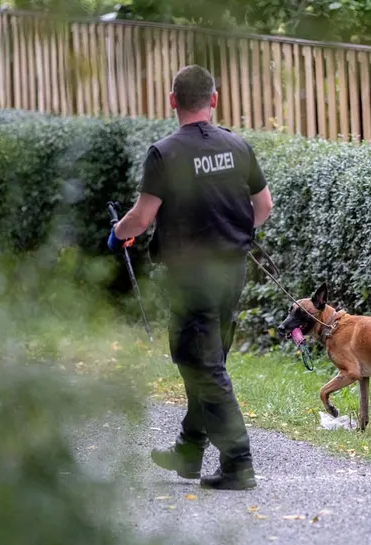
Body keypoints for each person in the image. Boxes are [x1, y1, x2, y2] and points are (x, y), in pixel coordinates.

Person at [107, 65, 273, 491]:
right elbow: (264, 207)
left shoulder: (165, 153)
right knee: (209, 361)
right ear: (214, 99)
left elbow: (141, 218)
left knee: (202, 365)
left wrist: (117, 234)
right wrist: (236, 235)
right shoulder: (238, 146)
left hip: (191, 276)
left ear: (172, 100)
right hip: (233, 272)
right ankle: (189, 449)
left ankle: (239, 463)